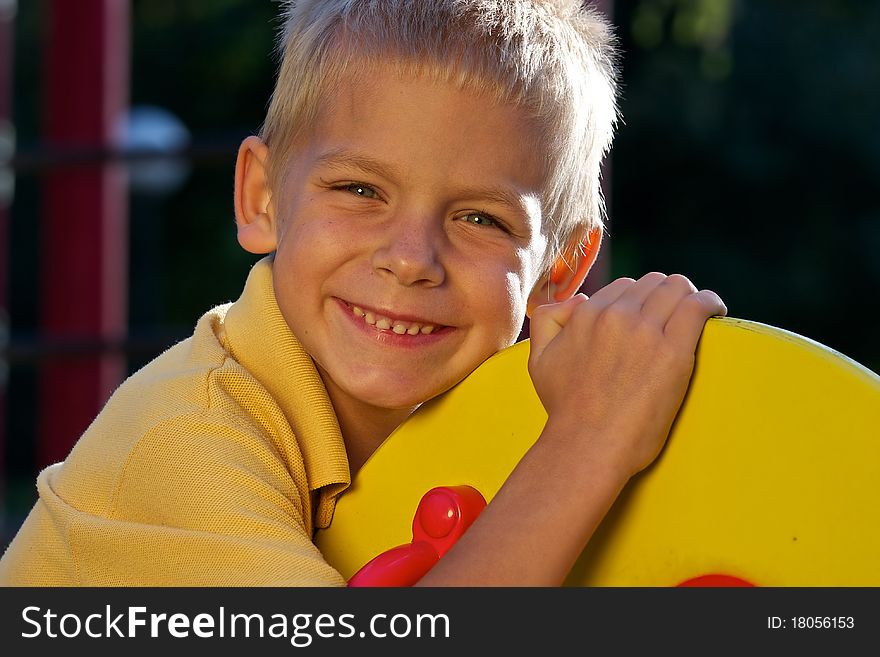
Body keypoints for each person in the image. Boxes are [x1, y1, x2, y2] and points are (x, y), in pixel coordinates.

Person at [0, 0, 726, 586]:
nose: (411, 259)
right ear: (261, 197)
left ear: (560, 269)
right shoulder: (182, 441)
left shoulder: (498, 431)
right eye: (358, 189)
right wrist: (590, 442)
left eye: (480, 218)